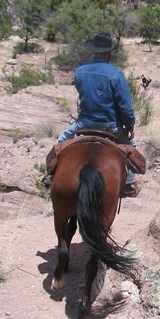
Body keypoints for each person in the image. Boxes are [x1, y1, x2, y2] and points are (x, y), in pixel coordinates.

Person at [47, 32, 139, 197]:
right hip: (110, 125)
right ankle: (130, 183)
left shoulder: (80, 72)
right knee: (131, 147)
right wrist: (130, 124)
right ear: (108, 52)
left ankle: (51, 175)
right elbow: (125, 107)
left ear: (94, 51)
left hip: (84, 123)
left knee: (61, 141)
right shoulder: (116, 74)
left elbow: (81, 92)